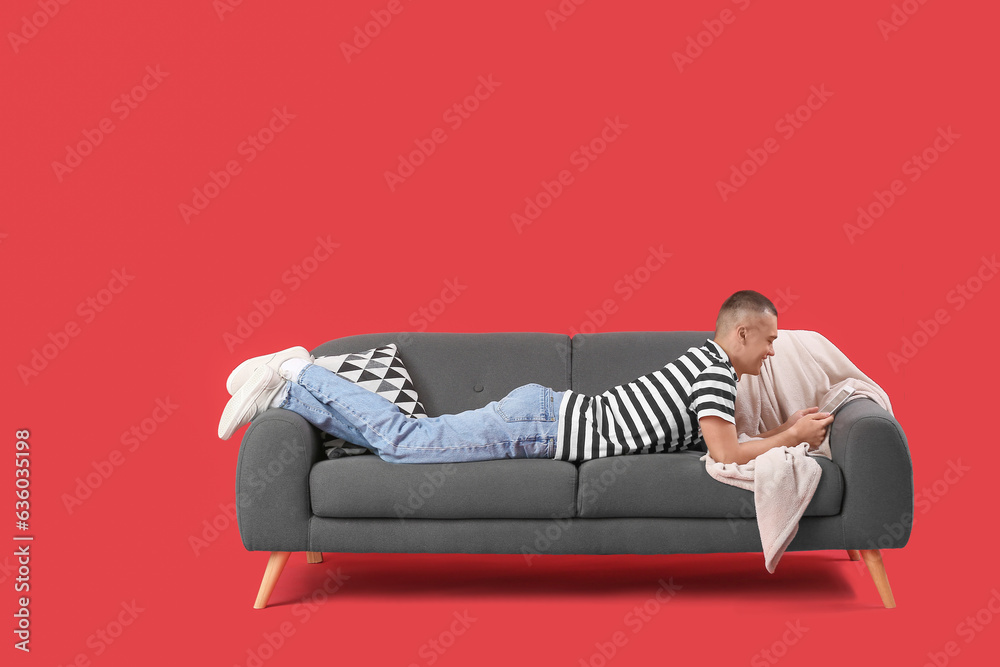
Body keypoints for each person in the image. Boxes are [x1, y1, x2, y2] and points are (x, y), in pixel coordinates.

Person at [217, 290, 833, 465]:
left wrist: (785, 429)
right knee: (405, 444)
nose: (776, 351)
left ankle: (294, 389)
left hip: (542, 420)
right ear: (743, 333)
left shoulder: (708, 366)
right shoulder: (715, 372)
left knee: (405, 448)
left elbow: (715, 443)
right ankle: (298, 369)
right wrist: (792, 435)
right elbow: (724, 455)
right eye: (772, 338)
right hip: (540, 427)